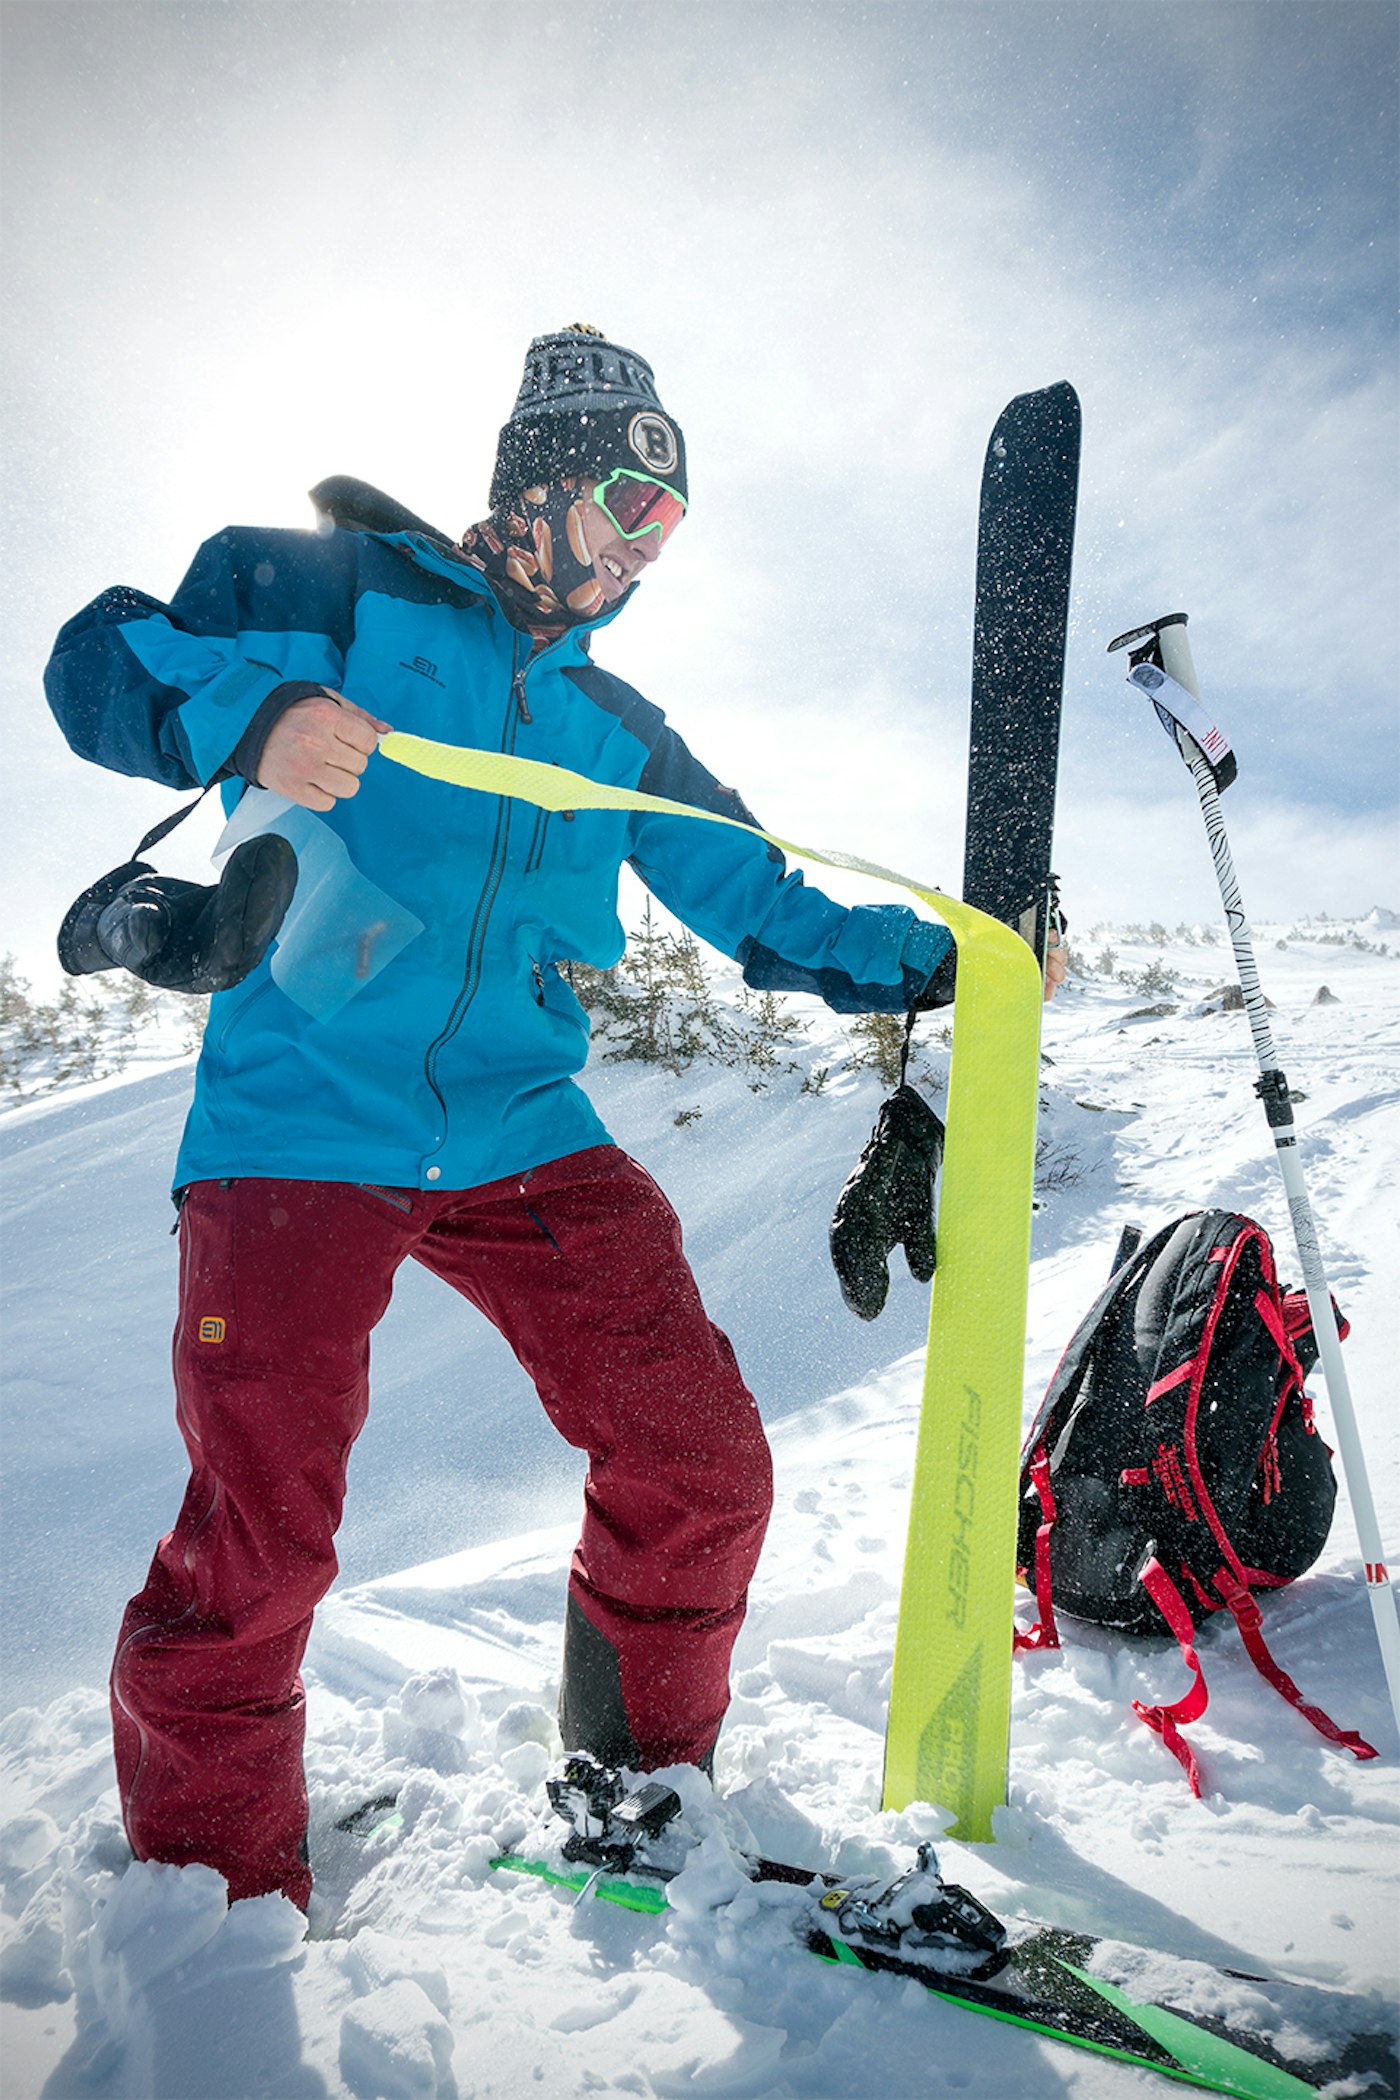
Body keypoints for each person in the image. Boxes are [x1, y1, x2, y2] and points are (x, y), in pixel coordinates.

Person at [45, 324, 1065, 1912]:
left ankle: (637, 1783)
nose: (634, 554)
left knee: (700, 1455)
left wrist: (961, 965)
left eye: (664, 530)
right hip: (302, 1114)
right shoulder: (324, 593)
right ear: (532, 489)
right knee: (265, 1537)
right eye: (614, 509)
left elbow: (759, 904)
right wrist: (250, 720)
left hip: (519, 1124)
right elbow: (94, 658)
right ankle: (210, 1892)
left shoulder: (615, 727)